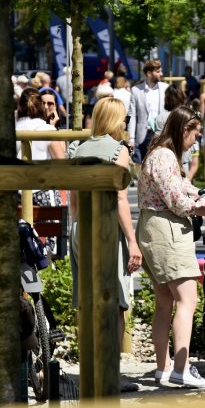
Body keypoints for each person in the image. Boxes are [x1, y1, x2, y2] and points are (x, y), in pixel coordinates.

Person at [137, 106, 205, 388]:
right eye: (196, 134)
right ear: (184, 130)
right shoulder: (166, 156)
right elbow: (177, 201)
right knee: (187, 300)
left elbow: (180, 185)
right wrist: (203, 208)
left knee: (164, 303)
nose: (196, 141)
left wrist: (200, 194)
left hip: (153, 227)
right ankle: (182, 368)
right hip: (166, 230)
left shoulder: (158, 152)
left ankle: (163, 367)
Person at [67, 98, 142, 359]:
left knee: (88, 301)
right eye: (124, 118)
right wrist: (132, 241)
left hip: (80, 229)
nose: (125, 123)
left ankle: (90, 367)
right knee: (115, 303)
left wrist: (75, 229)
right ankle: (110, 371)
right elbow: (120, 199)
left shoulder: (76, 148)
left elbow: (73, 199)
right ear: (114, 119)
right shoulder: (118, 151)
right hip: (106, 231)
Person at [16, 88, 66, 205]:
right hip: (43, 191)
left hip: (17, 192)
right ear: (40, 106)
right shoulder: (46, 130)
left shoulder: (13, 129)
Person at [129, 60, 168, 164]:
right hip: (143, 136)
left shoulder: (165, 88)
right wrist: (131, 138)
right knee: (139, 167)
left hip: (161, 134)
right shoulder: (136, 90)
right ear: (149, 73)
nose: (161, 74)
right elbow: (132, 116)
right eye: (158, 71)